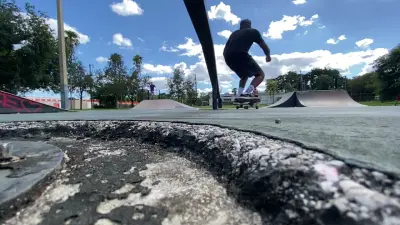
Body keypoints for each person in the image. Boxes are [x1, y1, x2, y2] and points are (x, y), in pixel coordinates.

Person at [223, 19, 271, 99]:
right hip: (240, 54)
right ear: (249, 25)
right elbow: (263, 45)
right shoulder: (252, 31)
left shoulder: (234, 33)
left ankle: (239, 95)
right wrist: (268, 55)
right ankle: (247, 93)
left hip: (227, 57)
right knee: (260, 75)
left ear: (241, 26)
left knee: (244, 75)